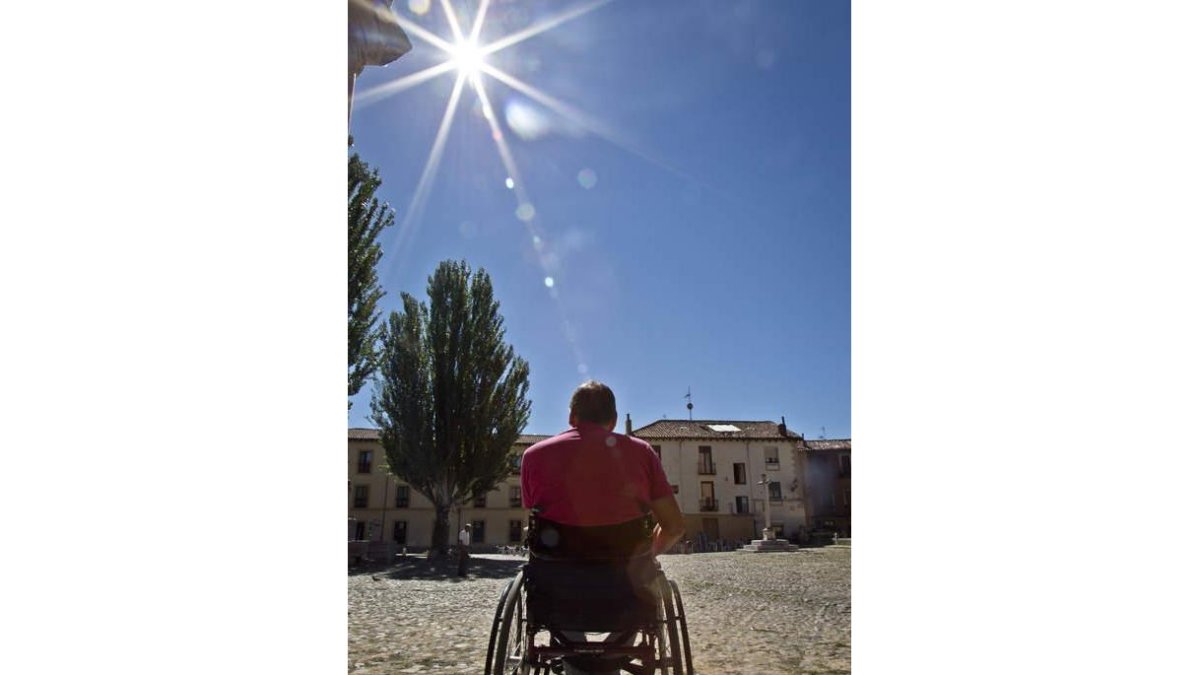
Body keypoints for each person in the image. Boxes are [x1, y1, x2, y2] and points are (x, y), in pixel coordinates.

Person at [521, 380, 685, 675]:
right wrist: (650, 552)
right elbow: (674, 526)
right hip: (624, 584)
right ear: (614, 420)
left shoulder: (533, 456)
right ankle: (608, 663)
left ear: (572, 417)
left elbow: (533, 514)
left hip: (557, 584)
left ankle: (577, 663)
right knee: (639, 585)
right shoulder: (643, 453)